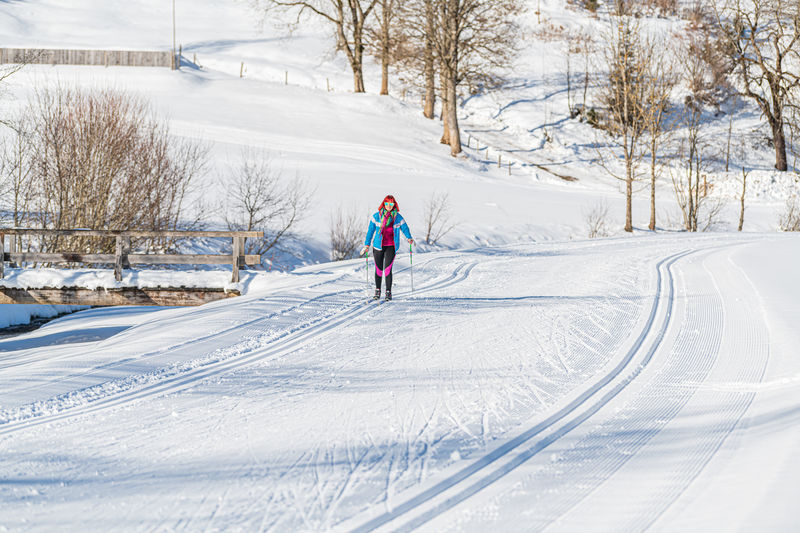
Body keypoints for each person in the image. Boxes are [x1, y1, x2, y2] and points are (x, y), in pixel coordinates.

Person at [360, 194, 414, 301]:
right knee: (379, 270)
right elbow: (370, 231)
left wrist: (409, 237)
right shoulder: (376, 216)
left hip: (391, 247)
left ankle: (388, 292)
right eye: (387, 203)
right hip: (378, 247)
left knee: (388, 270)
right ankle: (378, 290)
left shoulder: (398, 217)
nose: (389, 206)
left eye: (391, 203)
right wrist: (367, 244)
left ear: (394, 204)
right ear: (384, 204)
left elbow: (405, 227)